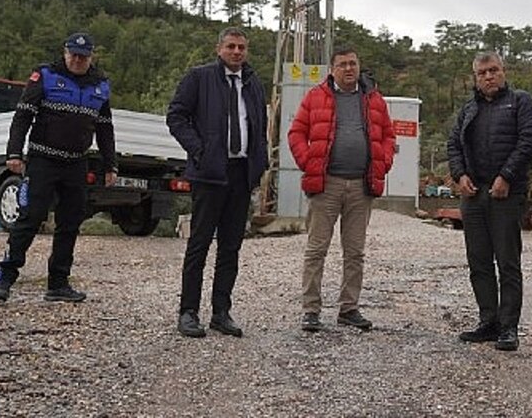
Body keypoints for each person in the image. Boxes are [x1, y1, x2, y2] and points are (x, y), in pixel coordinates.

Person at [0, 32, 117, 302]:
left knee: (70, 223)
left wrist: (111, 165)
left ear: (91, 57)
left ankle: (58, 284)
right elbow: (23, 116)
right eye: (73, 55)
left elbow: (105, 128)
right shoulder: (45, 75)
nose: (78, 60)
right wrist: (14, 153)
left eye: (83, 56)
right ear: (65, 52)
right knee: (30, 218)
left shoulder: (101, 85)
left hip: (76, 163)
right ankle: (5, 278)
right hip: (43, 160)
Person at [167, 27, 269, 338]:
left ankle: (221, 312)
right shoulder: (199, 78)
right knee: (199, 244)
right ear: (219, 49)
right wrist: (200, 150)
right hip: (209, 173)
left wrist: (259, 162)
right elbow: (176, 117)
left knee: (230, 247)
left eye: (241, 47)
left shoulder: (252, 84)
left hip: (241, 174)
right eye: (231, 46)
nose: (236, 52)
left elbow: (260, 125)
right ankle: (188, 312)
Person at [289, 47, 396, 332]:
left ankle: (349, 308)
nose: (349, 69)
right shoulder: (316, 97)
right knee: (316, 249)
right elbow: (296, 132)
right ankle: (311, 310)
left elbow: (388, 135)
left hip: (361, 186)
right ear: (332, 69)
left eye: (353, 63)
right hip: (327, 184)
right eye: (343, 65)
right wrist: (307, 160)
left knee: (355, 252)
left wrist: (383, 163)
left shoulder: (374, 99)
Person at [447, 52, 532, 351]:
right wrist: (459, 175)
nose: (488, 77)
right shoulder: (469, 108)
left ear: (504, 71)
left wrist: (507, 176)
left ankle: (509, 327)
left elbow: (529, 140)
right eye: (482, 73)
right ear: (475, 77)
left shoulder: (521, 102)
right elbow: (453, 145)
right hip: (473, 195)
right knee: (479, 262)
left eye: (493, 70)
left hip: (506, 194)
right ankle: (488, 321)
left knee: (508, 262)